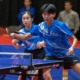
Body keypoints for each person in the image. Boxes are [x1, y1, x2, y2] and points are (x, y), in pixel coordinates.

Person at [10, 4, 80, 80]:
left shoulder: (60, 25)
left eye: (48, 14)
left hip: (67, 54)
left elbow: (75, 38)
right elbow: (24, 37)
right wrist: (14, 35)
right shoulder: (40, 27)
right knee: (35, 77)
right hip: (52, 56)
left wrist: (72, 48)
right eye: (44, 14)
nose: (46, 16)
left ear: (54, 14)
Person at [12, 11, 46, 80]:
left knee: (44, 76)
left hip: (39, 53)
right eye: (23, 18)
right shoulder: (21, 32)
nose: (25, 20)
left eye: (27, 18)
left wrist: (42, 43)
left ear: (32, 19)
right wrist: (14, 43)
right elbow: (18, 46)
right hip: (28, 55)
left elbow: (47, 38)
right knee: (21, 76)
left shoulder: (38, 28)